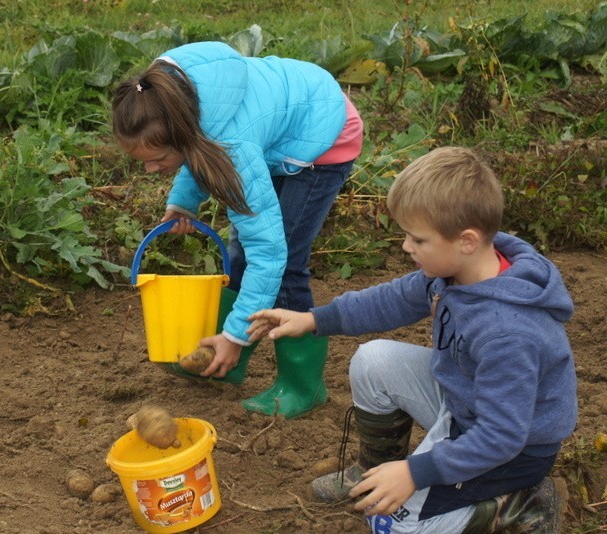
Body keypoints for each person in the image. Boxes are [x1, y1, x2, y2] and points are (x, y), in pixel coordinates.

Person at [246, 147, 576, 533]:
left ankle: (522, 506)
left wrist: (415, 473)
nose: (406, 247)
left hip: (512, 449)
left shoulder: (507, 332)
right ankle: (374, 469)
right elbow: (393, 299)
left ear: (467, 240)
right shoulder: (458, 268)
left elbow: (502, 436)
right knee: (373, 360)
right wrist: (313, 319)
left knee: (392, 524)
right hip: (466, 402)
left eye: (417, 240)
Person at [112, 41, 364, 419]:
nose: (151, 170)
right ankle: (224, 361)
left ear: (183, 137)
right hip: (277, 124)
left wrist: (237, 335)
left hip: (323, 137)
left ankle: (302, 385)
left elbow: (270, 252)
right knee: (239, 254)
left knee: (286, 263)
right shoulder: (164, 94)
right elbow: (199, 149)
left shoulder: (231, 146)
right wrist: (182, 202)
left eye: (158, 160)